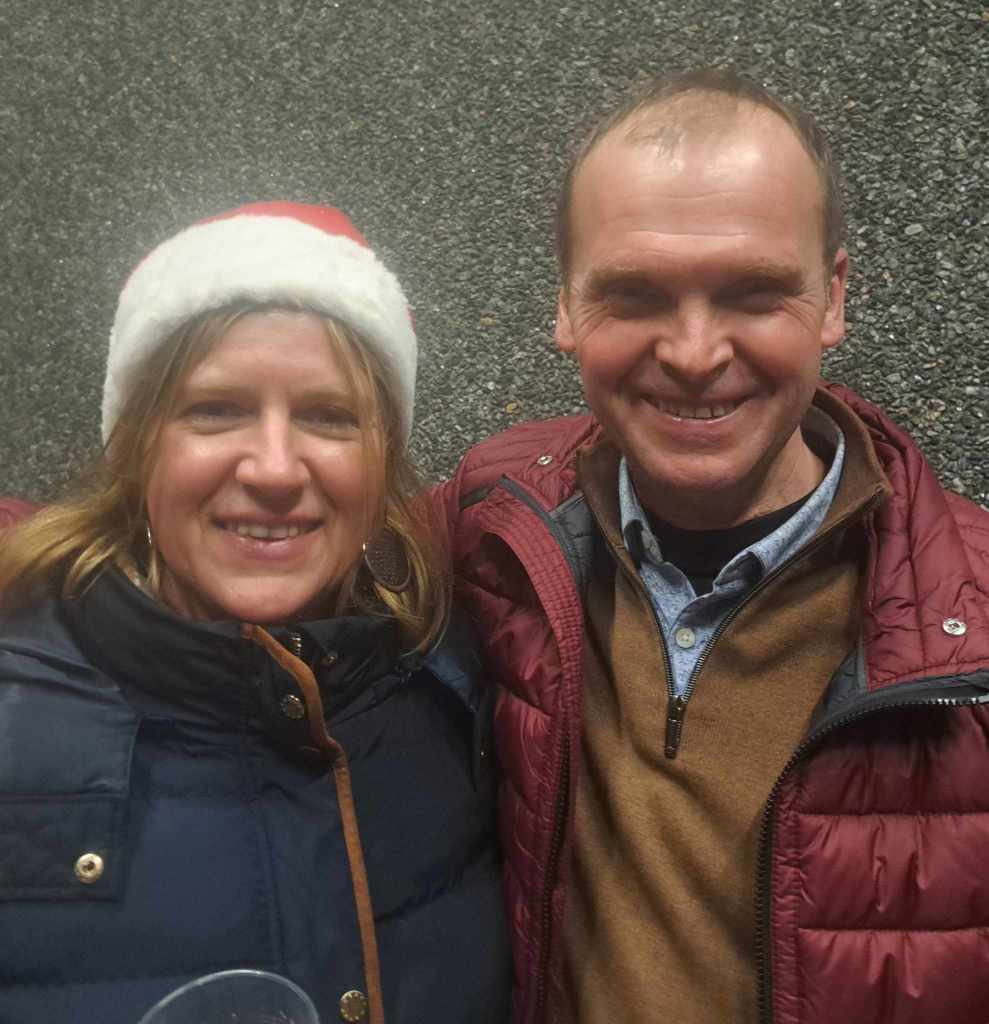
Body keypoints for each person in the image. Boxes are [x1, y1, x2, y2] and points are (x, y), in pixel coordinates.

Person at [439, 70, 989, 1024]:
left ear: (832, 297)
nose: (694, 353)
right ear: (564, 305)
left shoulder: (971, 632)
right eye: (633, 295)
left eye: (753, 293)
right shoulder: (494, 523)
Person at [0, 202, 511, 1024]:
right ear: (138, 448)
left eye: (327, 416)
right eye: (216, 409)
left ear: (383, 459)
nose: (274, 469)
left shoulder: (451, 681)